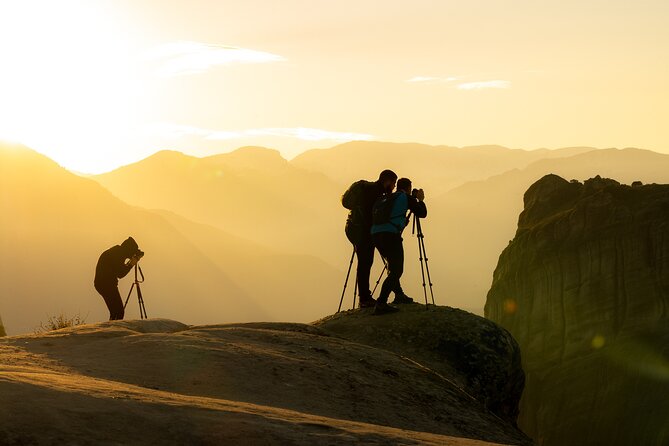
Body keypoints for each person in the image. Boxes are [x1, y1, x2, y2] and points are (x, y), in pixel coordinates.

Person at [342, 170, 397, 308]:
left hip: (354, 228)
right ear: (388, 181)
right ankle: (364, 298)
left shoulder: (371, 189)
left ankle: (365, 296)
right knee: (365, 262)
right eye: (393, 183)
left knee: (365, 261)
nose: (394, 187)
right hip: (362, 231)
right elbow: (371, 215)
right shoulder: (376, 193)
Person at [371, 178, 427, 315]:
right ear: (408, 188)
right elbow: (422, 213)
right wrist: (420, 199)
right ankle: (381, 302)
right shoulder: (406, 197)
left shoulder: (389, 197)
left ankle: (399, 295)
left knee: (392, 266)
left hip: (376, 234)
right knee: (397, 270)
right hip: (390, 235)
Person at [94, 237, 143, 320]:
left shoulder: (117, 252)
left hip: (103, 284)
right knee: (118, 312)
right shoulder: (117, 254)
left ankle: (111, 328)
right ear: (128, 250)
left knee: (115, 311)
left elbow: (119, 269)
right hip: (106, 284)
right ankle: (112, 330)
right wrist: (131, 264)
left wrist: (130, 263)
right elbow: (120, 274)